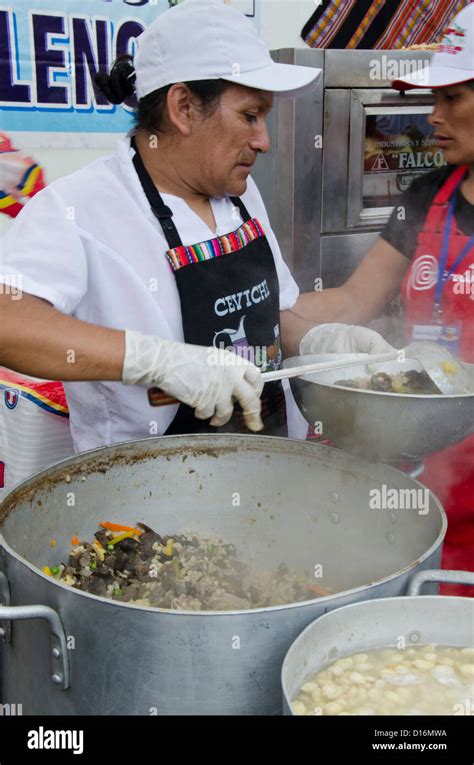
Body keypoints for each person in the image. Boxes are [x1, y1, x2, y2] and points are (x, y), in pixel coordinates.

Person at [0, 0, 390, 453]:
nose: (263, 141)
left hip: (275, 468)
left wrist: (323, 341)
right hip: (150, 498)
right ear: (184, 107)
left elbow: (271, 320)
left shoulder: (241, 196)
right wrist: (155, 361)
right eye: (249, 116)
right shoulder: (81, 207)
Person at [298, 4, 474, 595]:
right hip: (427, 475)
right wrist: (257, 318)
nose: (434, 115)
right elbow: (350, 302)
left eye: (452, 97)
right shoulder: (431, 196)